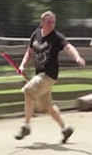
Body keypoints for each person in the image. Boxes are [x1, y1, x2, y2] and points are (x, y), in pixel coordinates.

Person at [15, 11, 86, 143]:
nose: (52, 24)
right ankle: (65, 129)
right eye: (49, 22)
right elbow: (29, 52)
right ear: (42, 23)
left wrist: (77, 57)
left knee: (27, 91)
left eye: (53, 21)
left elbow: (69, 47)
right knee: (48, 106)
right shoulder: (35, 35)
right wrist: (22, 65)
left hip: (48, 75)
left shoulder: (57, 37)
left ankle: (26, 125)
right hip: (40, 74)